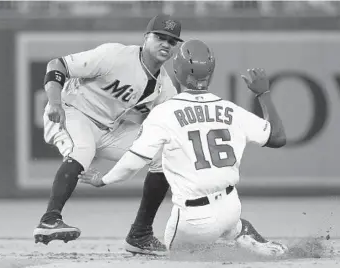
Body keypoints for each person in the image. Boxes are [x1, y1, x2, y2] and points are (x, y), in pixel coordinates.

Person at [78, 40, 289, 256]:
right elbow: (278, 137)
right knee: (236, 227)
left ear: (177, 72)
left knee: (181, 254)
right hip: (230, 207)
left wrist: (102, 180)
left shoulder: (164, 112)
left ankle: (216, 252)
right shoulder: (230, 109)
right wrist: (263, 94)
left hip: (192, 221)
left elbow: (133, 162)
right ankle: (250, 243)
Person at [33, 14, 182, 246]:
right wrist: (54, 102)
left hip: (109, 130)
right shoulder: (115, 55)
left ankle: (140, 234)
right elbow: (57, 65)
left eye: (172, 41)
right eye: (160, 37)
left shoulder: (164, 85)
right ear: (146, 37)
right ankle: (49, 219)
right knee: (82, 147)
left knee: (162, 154)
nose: (166, 43)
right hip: (72, 111)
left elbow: (174, 124)